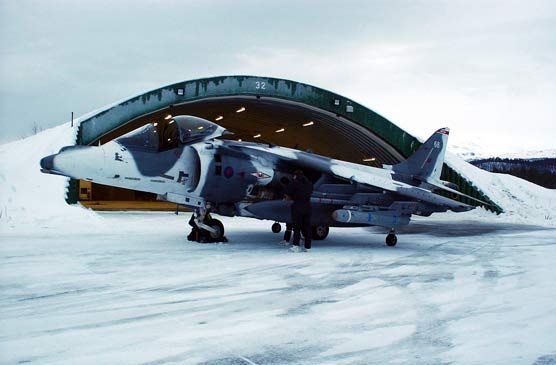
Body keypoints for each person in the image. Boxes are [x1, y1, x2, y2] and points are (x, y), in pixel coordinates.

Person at [284, 170, 313, 252]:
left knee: (297, 227)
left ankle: (296, 246)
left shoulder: (294, 182)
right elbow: (310, 192)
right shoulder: (309, 184)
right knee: (307, 227)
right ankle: (308, 247)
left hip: (297, 206)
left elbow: (287, 191)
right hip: (308, 206)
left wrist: (290, 196)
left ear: (295, 175)